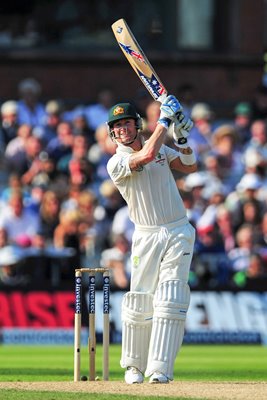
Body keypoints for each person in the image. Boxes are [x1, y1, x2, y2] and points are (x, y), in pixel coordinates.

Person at [106, 95, 197, 384]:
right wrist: (165, 121)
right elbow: (144, 157)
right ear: (112, 133)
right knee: (140, 300)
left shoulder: (157, 148)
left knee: (170, 298)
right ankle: (133, 366)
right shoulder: (117, 162)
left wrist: (182, 138)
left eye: (127, 123)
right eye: (117, 126)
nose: (122, 129)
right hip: (146, 235)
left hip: (178, 229)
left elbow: (188, 166)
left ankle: (160, 370)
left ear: (137, 124)